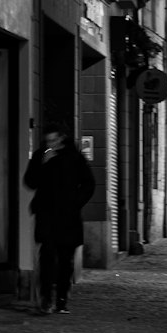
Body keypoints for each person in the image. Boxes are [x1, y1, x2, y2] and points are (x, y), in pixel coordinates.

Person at [23, 124, 96, 314]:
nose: (51, 144)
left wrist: (75, 202)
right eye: (48, 141)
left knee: (66, 259)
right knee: (46, 256)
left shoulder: (74, 157)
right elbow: (30, 182)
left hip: (68, 216)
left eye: (54, 141)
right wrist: (42, 164)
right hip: (46, 214)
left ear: (62, 139)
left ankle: (62, 299)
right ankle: (46, 299)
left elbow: (89, 183)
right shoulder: (41, 155)